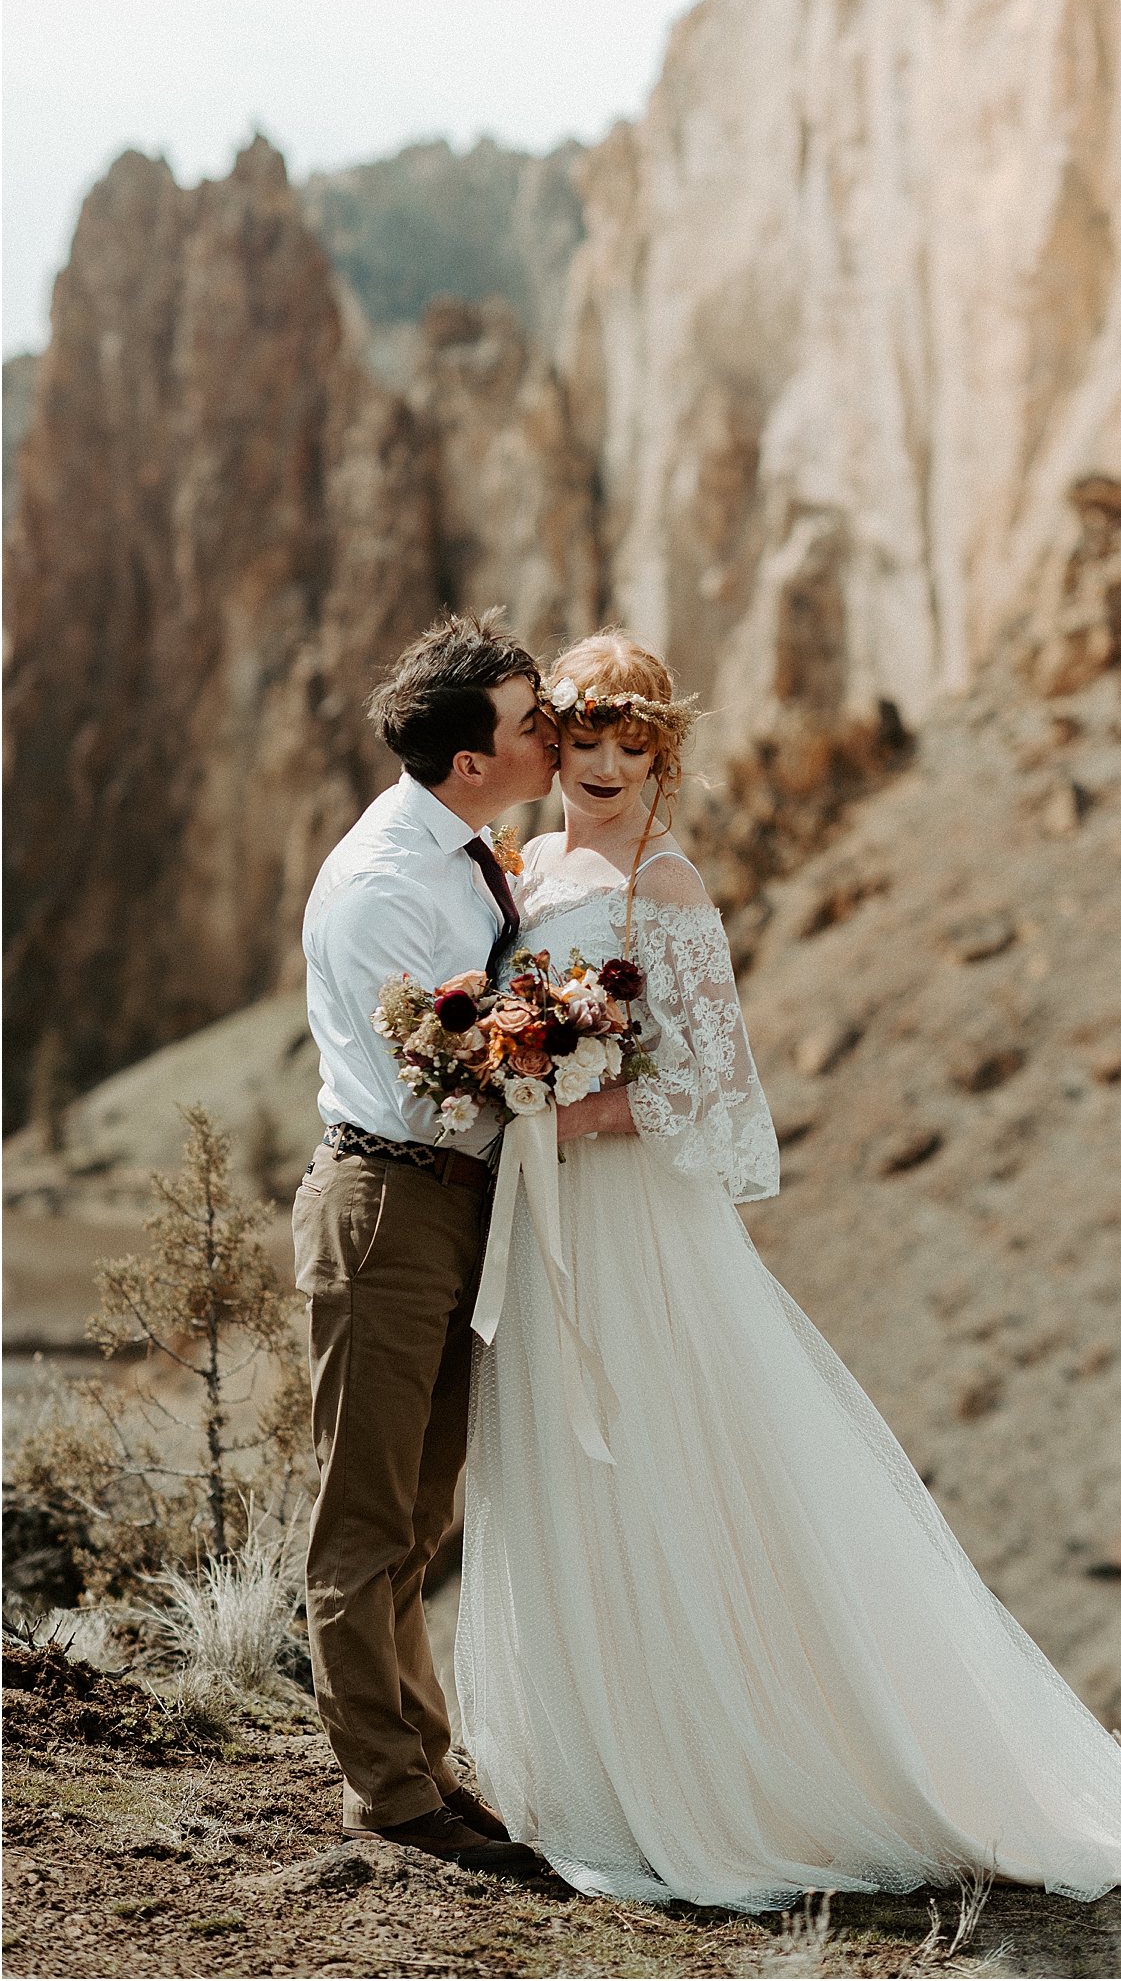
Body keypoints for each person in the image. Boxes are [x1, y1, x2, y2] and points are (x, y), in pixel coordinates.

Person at [454, 628, 1121, 1913]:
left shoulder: (668, 886)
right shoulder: (528, 867)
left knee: (661, 1465)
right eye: (582, 745)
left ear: (661, 757)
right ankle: (593, 1770)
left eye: (626, 750)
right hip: (547, 1226)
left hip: (634, 1225)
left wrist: (576, 1103)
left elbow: (716, 1087)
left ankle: (732, 1780)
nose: (600, 768)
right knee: (561, 1474)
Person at [295, 609, 556, 1873]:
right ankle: (390, 1795)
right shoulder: (384, 886)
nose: (550, 733)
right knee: (366, 1515)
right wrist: (555, 1056)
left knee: (423, 1507)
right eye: (529, 720)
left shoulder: (464, 847)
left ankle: (423, 1759)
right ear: (473, 761)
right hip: (390, 1201)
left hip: (455, 1204)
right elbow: (429, 1086)